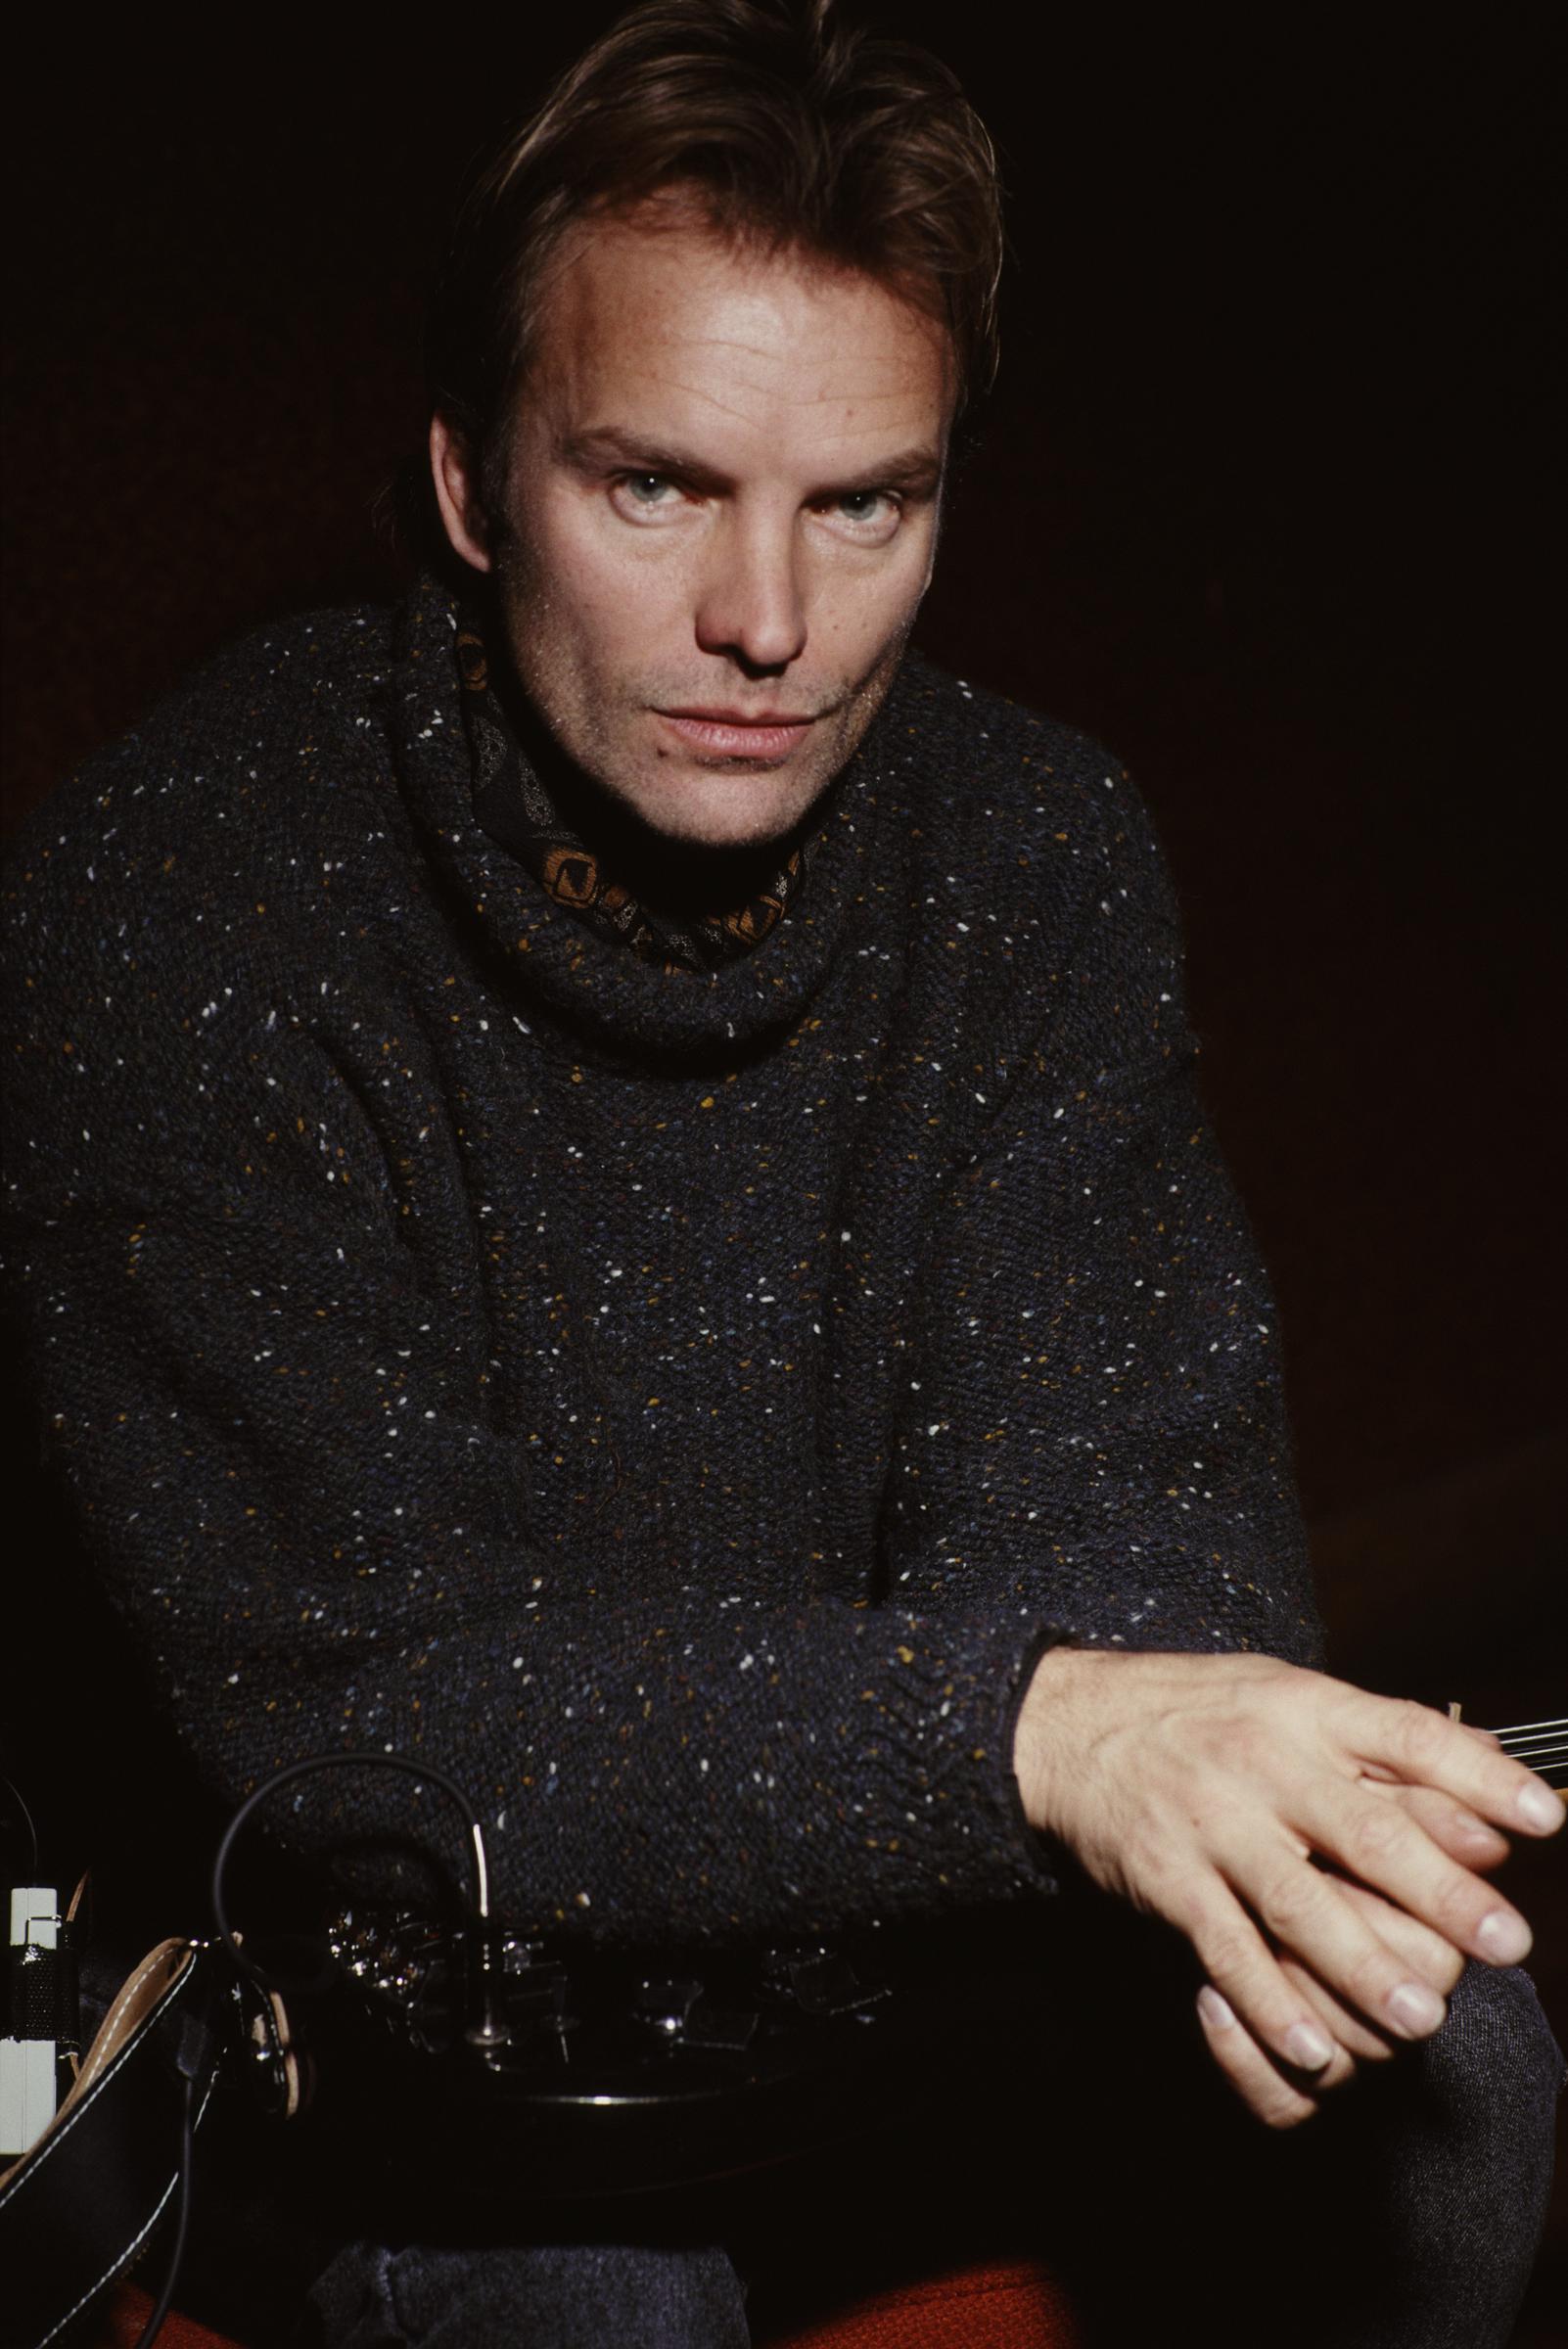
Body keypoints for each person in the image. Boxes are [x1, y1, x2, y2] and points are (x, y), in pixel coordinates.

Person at [3, 4, 1560, 2343]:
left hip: (899, 1907)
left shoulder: (1035, 850)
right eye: (655, 488)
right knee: (582, 2301)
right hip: (384, 2013)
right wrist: (1033, 1736)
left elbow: (1148, 1533)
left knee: (1462, 2088)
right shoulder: (174, 896)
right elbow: (373, 1735)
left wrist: (1179, 1782)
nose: (768, 623)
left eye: (866, 505)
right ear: (470, 487)